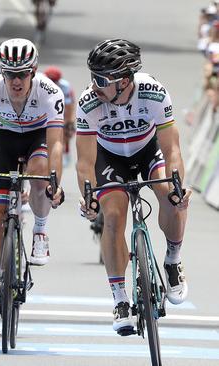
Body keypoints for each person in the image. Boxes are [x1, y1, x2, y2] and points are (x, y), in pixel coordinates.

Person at [76, 39, 191, 335]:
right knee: (113, 216)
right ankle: (120, 299)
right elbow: (85, 162)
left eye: (101, 79)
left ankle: (173, 260)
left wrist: (178, 184)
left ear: (124, 80)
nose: (94, 85)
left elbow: (172, 148)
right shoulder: (90, 102)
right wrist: (88, 197)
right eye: (93, 77)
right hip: (109, 156)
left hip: (147, 151)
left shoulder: (153, 92)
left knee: (171, 195)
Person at [0, 39, 65, 329]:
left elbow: (56, 144)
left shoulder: (49, 92)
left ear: (33, 72)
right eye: (10, 75)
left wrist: (55, 181)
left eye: (22, 74)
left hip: (37, 139)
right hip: (2, 141)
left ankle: (41, 230)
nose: (16, 81)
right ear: (1, 73)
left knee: (40, 171)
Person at [43, 66, 76, 165]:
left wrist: (68, 123)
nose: (52, 83)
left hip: (62, 109)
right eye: (50, 80)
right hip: (46, 108)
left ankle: (65, 148)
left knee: (66, 128)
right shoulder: (39, 83)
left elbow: (69, 107)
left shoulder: (65, 86)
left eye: (55, 81)